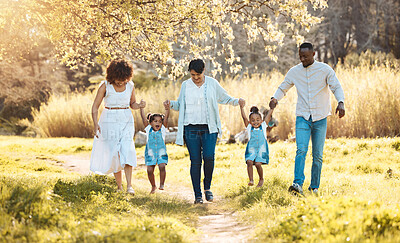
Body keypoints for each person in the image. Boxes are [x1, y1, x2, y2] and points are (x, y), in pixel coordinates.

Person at [164, 59, 245, 204]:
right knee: (195, 161)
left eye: (198, 75)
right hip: (191, 128)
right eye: (193, 75)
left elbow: (225, 98)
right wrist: (170, 104)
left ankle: (207, 187)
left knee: (209, 157)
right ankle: (198, 195)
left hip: (209, 128)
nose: (195, 78)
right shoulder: (185, 85)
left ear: (204, 71)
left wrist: (237, 101)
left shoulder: (212, 83)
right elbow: (180, 105)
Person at [269, 42, 345, 195]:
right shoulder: (294, 72)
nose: (302, 59)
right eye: (300, 56)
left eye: (305, 56)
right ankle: (297, 185)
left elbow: (336, 87)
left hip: (320, 117)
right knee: (301, 150)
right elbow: (283, 88)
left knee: (317, 155)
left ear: (313, 54)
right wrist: (274, 98)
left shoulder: (324, 70)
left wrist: (341, 102)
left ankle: (314, 187)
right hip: (303, 116)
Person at [90, 59, 141, 195]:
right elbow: (95, 107)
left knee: (128, 149)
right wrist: (95, 124)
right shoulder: (105, 86)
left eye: (123, 79)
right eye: (118, 79)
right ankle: (119, 186)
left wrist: (139, 105)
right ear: (112, 76)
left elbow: (133, 104)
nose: (120, 82)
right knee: (115, 153)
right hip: (109, 120)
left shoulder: (130, 86)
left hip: (126, 119)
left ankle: (129, 186)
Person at [239, 101, 274, 187]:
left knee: (258, 164)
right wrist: (241, 108)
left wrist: (272, 108)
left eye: (258, 120)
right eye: (253, 120)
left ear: (261, 120)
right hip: (252, 149)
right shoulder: (249, 127)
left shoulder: (263, 125)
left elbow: (268, 116)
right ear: (250, 122)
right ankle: (251, 180)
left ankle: (261, 179)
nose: (255, 122)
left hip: (261, 149)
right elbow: (244, 118)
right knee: (249, 162)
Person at [139, 99, 170, 194]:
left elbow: (167, 118)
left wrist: (167, 109)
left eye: (160, 121)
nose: (158, 123)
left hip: (161, 153)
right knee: (149, 170)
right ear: (151, 123)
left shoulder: (163, 130)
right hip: (150, 153)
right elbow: (144, 119)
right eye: (155, 121)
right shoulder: (148, 130)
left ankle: (162, 184)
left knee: (162, 167)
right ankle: (153, 186)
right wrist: (141, 108)